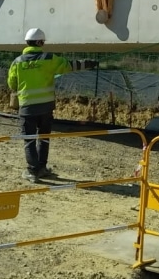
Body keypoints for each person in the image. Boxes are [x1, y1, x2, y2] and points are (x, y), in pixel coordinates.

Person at [7, 28, 96, 183]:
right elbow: (69, 65)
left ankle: (33, 172)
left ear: (27, 42)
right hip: (46, 107)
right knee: (44, 137)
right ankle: (41, 168)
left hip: (27, 107)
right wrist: (88, 63)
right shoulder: (48, 58)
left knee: (29, 139)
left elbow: (12, 83)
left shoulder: (17, 62)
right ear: (40, 42)